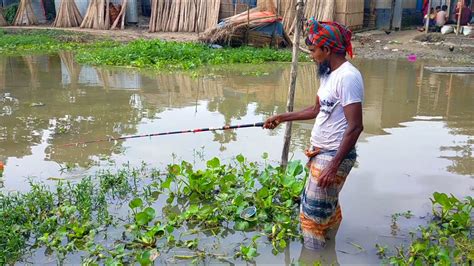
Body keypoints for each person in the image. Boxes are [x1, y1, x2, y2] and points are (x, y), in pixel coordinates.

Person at [263, 18, 364, 250]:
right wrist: (281, 117)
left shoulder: (348, 77)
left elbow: (356, 126)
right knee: (327, 209)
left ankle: (315, 257)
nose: (311, 55)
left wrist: (333, 166)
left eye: (313, 50)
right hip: (321, 153)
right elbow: (316, 110)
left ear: (327, 50)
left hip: (334, 155)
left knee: (310, 219)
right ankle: (329, 248)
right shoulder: (327, 74)